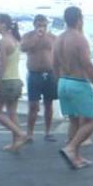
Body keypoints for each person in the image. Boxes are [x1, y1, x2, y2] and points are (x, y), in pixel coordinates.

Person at [53, 6, 93, 169]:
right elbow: (88, 65)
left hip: (63, 81)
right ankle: (70, 148)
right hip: (78, 83)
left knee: (74, 120)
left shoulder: (58, 38)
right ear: (79, 19)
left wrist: (59, 83)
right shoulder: (79, 38)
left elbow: (54, 64)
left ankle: (75, 157)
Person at [0, 13, 27, 152]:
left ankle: (20, 134)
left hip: (6, 82)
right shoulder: (15, 39)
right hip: (16, 81)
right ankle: (15, 143)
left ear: (3, 24)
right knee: (12, 113)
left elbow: (3, 65)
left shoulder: (3, 41)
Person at [20, 14, 58, 142]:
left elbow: (59, 54)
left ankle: (47, 132)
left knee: (49, 104)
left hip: (50, 74)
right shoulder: (28, 36)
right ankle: (29, 133)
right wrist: (37, 36)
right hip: (34, 74)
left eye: (44, 24)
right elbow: (23, 48)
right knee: (33, 106)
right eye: (39, 24)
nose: (42, 27)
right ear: (34, 24)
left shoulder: (52, 37)